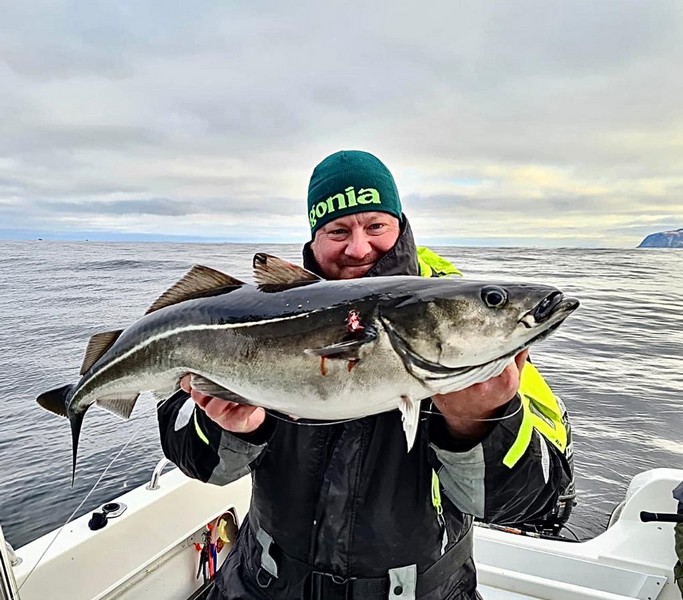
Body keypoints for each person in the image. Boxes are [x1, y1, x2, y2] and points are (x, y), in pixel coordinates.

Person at [158, 150, 574, 600]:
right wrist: (236, 429)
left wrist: (483, 422)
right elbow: (199, 461)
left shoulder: (475, 337)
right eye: (338, 231)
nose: (358, 248)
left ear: (400, 224)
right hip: (265, 584)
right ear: (314, 238)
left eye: (376, 226)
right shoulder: (254, 314)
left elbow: (541, 507)